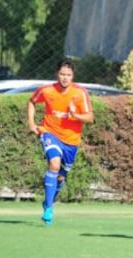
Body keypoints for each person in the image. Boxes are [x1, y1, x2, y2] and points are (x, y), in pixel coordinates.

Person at [27, 58, 94, 225]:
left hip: (71, 141)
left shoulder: (80, 93)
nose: (65, 78)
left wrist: (75, 115)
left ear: (73, 76)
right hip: (49, 133)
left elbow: (90, 118)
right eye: (62, 74)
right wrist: (31, 124)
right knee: (54, 164)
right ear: (57, 74)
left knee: (60, 178)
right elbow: (32, 102)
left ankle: (49, 201)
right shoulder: (47, 90)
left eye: (68, 75)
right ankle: (48, 208)